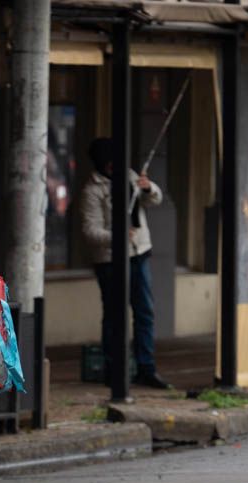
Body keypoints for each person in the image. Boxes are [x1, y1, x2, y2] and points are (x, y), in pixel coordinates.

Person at [79, 137, 171, 390]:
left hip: (139, 252)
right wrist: (117, 237)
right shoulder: (92, 190)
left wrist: (148, 187)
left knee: (145, 312)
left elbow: (153, 200)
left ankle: (146, 368)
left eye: (114, 162)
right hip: (110, 261)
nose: (112, 167)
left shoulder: (129, 176)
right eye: (107, 163)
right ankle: (114, 369)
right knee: (114, 316)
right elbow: (90, 231)